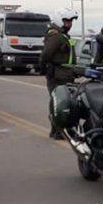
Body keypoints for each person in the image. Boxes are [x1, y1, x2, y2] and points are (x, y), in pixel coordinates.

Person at [41, 8, 78, 139]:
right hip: (57, 75)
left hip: (65, 74)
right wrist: (45, 68)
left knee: (65, 103)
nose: (69, 24)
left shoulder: (62, 35)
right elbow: (46, 54)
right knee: (59, 103)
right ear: (59, 20)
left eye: (71, 21)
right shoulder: (55, 36)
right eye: (66, 21)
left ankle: (60, 130)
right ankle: (57, 130)